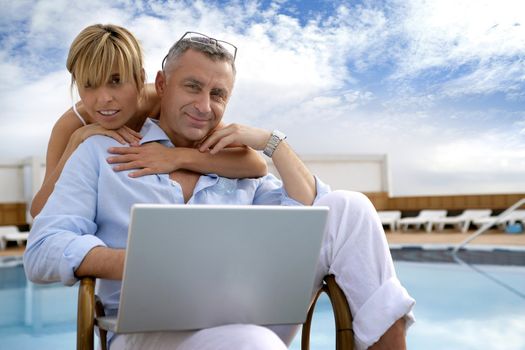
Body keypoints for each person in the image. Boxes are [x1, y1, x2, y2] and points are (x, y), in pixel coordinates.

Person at [24, 30, 415, 350]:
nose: (204, 106)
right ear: (161, 86)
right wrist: (134, 261)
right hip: (151, 331)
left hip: (251, 314)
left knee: (350, 207)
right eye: (192, 87)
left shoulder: (234, 161)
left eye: (218, 94)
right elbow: (43, 248)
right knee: (252, 343)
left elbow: (310, 208)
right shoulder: (98, 152)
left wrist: (271, 142)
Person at [29, 24, 267, 218]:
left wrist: (177, 157)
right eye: (88, 84)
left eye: (115, 81)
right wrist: (76, 141)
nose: (104, 99)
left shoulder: (166, 102)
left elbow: (255, 165)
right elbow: (41, 212)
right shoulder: (73, 124)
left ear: (140, 78)